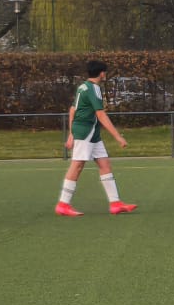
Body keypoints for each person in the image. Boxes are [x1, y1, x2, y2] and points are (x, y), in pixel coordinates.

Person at [56, 60, 136, 216]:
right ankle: (63, 204)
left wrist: (71, 134)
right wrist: (118, 137)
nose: (105, 74)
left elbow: (73, 110)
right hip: (85, 132)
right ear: (102, 73)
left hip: (92, 133)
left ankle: (115, 203)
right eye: (105, 72)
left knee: (105, 164)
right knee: (77, 166)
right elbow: (100, 114)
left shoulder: (83, 86)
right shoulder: (94, 89)